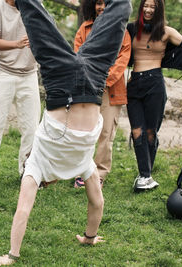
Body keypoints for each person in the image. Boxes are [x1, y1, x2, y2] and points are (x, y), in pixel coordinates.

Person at [0, 0, 131, 265]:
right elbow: (24, 210)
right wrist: (88, 237)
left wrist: (12, 256)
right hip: (82, 79)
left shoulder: (72, 166)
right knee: (38, 16)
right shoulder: (41, 165)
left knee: (120, 11)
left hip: (86, 83)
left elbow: (97, 202)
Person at [126, 0, 182, 192]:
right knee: (136, 132)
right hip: (134, 84)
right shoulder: (130, 29)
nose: (148, 9)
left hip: (155, 84)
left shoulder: (166, 31)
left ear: (158, 10)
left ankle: (145, 175)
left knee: (150, 133)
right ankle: (145, 175)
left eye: (152, 7)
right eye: (145, 6)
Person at [0, 0, 41, 187]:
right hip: (3, 72)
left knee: (31, 127)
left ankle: (27, 170)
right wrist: (17, 44)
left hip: (29, 74)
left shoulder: (36, 6)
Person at [73, 0, 131, 188]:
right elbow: (78, 54)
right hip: (88, 88)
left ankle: (98, 173)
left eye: (106, 3)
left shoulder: (121, 31)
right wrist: (91, 78)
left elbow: (123, 59)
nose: (102, 8)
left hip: (111, 89)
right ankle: (82, 170)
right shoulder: (84, 28)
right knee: (85, 131)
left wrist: (105, 79)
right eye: (98, 3)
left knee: (106, 133)